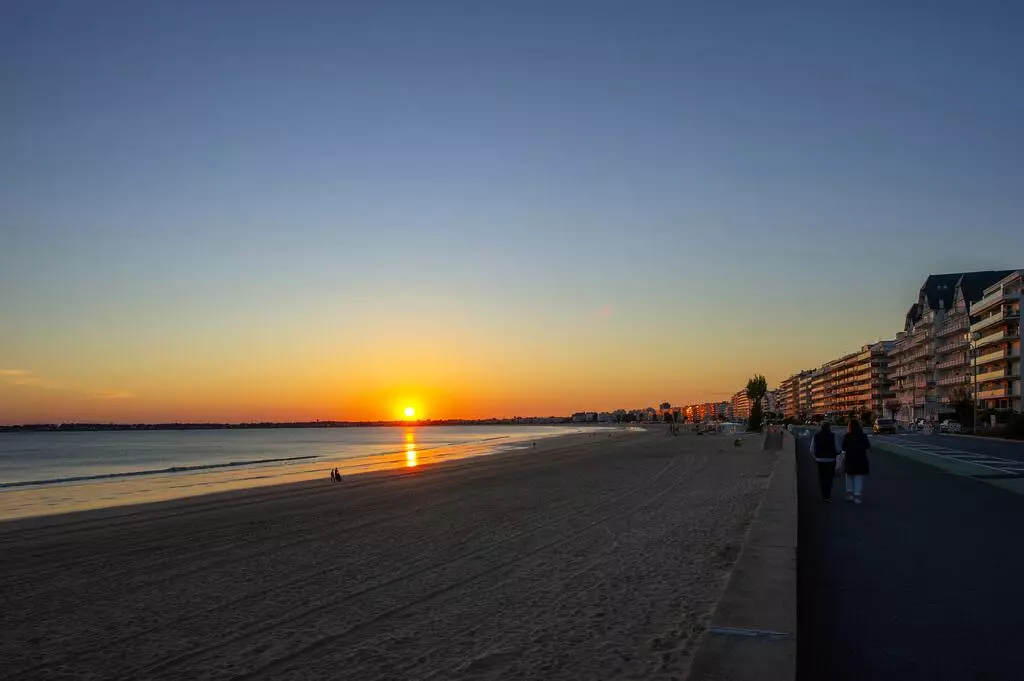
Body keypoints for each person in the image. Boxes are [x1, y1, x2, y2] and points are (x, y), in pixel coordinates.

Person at [841, 419, 871, 504]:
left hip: (850, 459)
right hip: (860, 459)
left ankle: (850, 495)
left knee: (849, 476)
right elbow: (868, 447)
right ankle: (857, 496)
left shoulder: (847, 436)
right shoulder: (863, 436)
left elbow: (843, 448)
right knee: (858, 477)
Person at [810, 422, 838, 502]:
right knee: (829, 478)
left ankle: (824, 494)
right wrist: (836, 454)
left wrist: (816, 457)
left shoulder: (816, 436)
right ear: (829, 428)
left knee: (822, 477)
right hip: (831, 459)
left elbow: (811, 449)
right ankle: (827, 495)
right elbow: (838, 448)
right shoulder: (833, 436)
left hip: (820, 460)